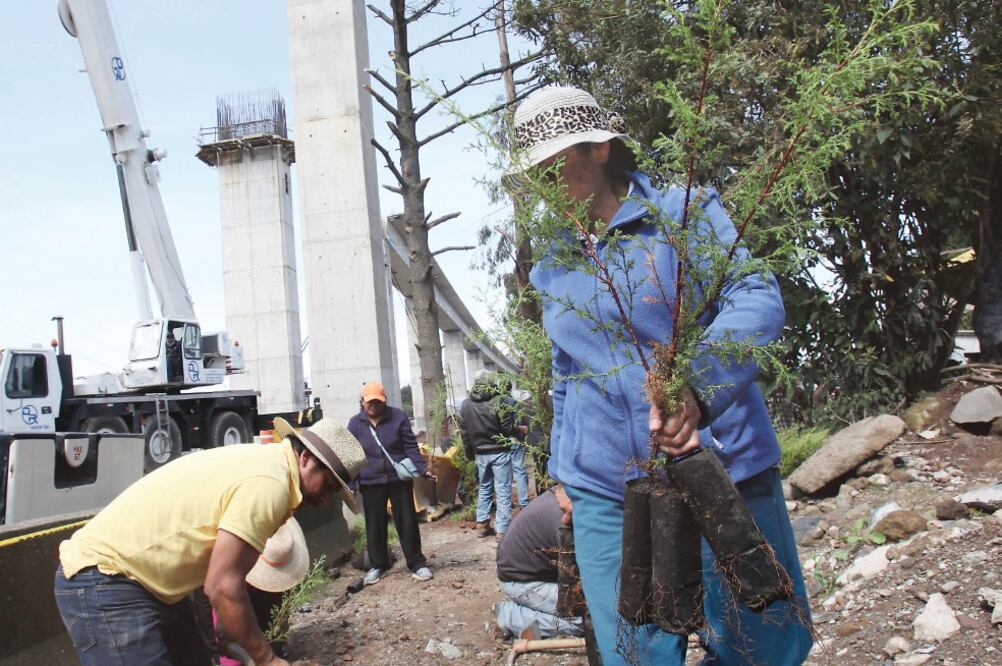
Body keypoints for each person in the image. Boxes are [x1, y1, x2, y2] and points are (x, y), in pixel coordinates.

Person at [513, 86, 813, 665]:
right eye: (536, 171)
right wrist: (561, 471)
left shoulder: (684, 214)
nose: (548, 179)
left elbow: (755, 297)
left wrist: (697, 388)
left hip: (719, 469)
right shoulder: (553, 262)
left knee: (767, 645)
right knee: (635, 653)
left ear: (600, 147)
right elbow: (565, 370)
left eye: (558, 160)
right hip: (606, 488)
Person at [53, 417, 366, 666]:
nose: (327, 499)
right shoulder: (269, 485)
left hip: (145, 583)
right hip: (107, 580)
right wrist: (266, 658)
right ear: (307, 458)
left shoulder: (270, 468)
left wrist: (231, 625)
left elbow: (202, 547)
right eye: (329, 484)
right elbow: (223, 587)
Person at [347, 381, 435, 585]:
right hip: (370, 482)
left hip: (398, 480)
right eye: (369, 402)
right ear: (362, 402)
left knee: (407, 522)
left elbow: (411, 448)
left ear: (384, 400)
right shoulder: (355, 424)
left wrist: (423, 470)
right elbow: (350, 458)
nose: (373, 406)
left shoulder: (398, 417)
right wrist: (351, 484)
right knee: (375, 525)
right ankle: (378, 565)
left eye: (377, 402)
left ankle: (417, 563)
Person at [213, 517, 310, 665]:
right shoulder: (230, 581)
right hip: (235, 635)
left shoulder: (283, 556)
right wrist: (252, 660)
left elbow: (282, 614)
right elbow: (222, 636)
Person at [494, 488, 584, 639]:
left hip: (532, 572)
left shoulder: (568, 494)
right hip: (522, 582)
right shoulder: (565, 520)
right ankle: (510, 617)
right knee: (585, 618)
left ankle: (531, 608)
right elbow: (581, 577)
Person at [460, 369, 524, 539]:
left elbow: (464, 433)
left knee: (485, 487)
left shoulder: (466, 404)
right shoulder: (499, 400)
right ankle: (502, 530)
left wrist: (470, 454)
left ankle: (482, 523)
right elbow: (505, 428)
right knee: (503, 489)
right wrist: (518, 430)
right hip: (499, 451)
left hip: (480, 453)